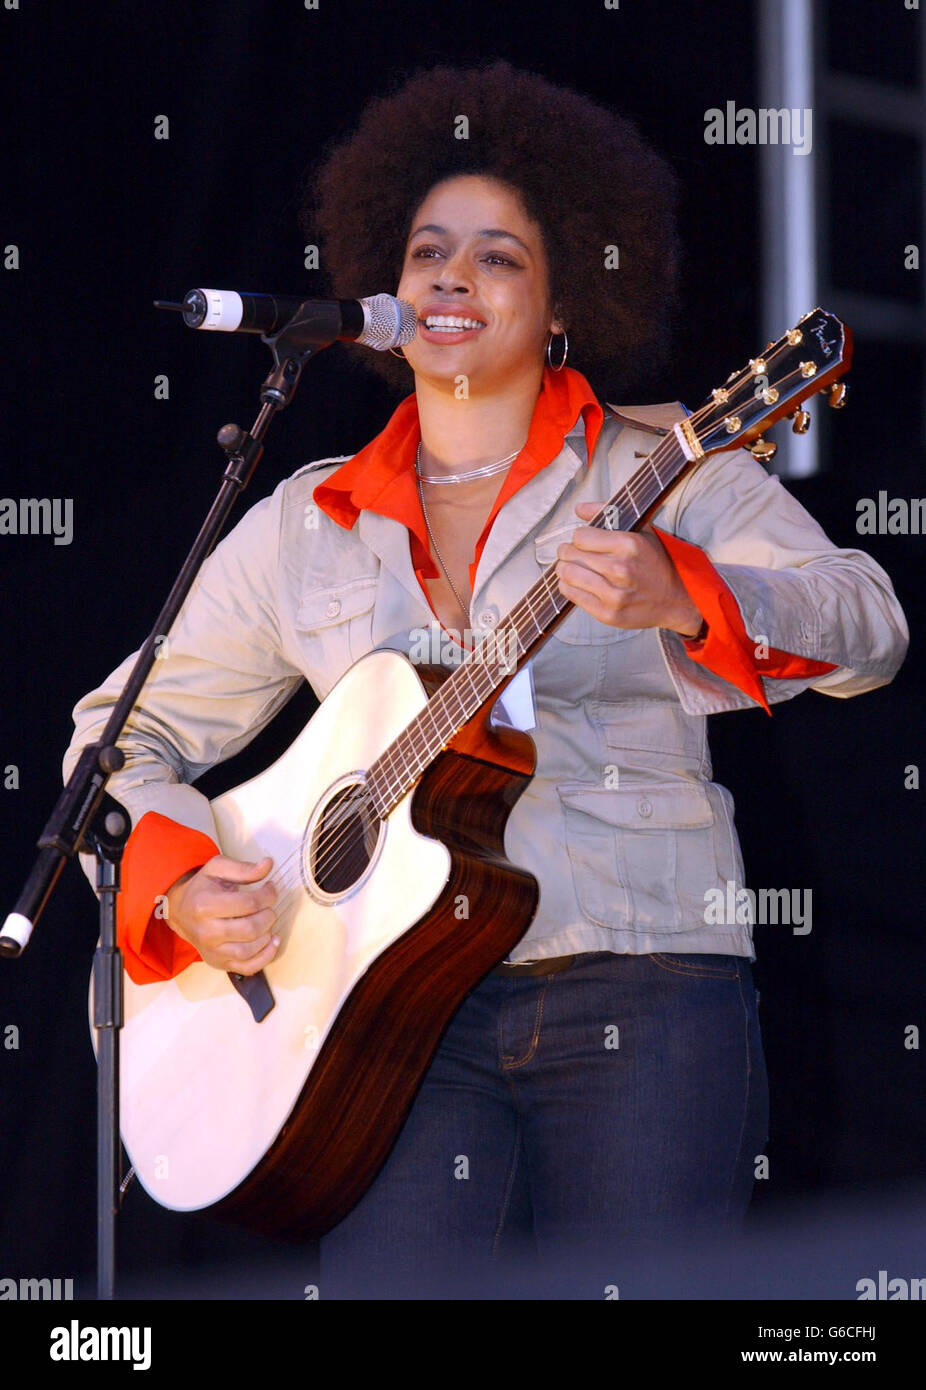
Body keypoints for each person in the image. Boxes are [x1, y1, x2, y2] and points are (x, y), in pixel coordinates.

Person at [65, 61, 908, 1298]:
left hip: (641, 980)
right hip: (388, 1025)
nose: (451, 276)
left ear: (562, 300)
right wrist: (180, 883)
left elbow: (867, 624)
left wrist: (687, 592)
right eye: (425, 252)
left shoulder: (665, 465)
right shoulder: (307, 520)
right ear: (385, 292)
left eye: (498, 256)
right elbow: (111, 737)